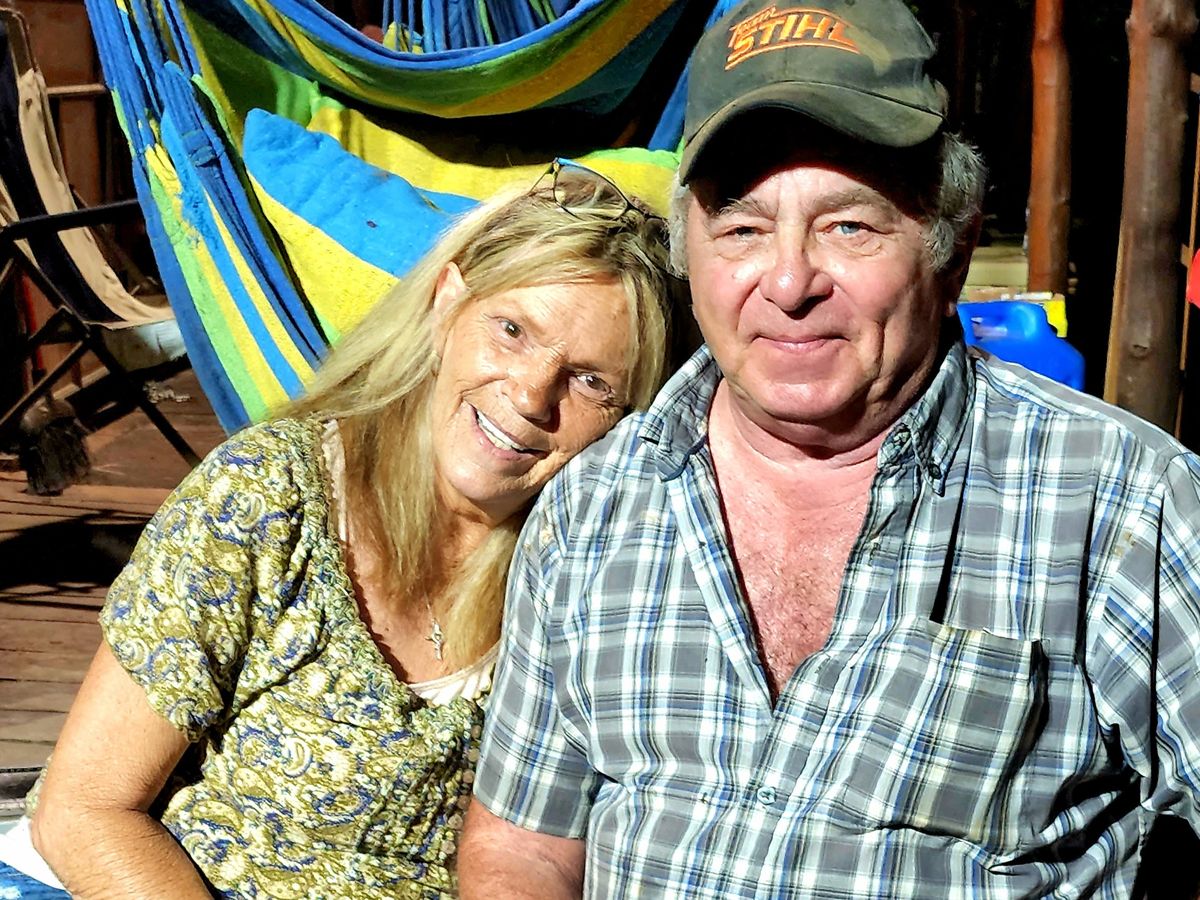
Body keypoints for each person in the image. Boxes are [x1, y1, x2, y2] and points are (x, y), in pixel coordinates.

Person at [458, 0, 1200, 896]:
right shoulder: (594, 507)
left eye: (848, 225)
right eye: (742, 228)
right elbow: (527, 846)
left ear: (953, 249)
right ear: (689, 252)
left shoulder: (1121, 502)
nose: (788, 281)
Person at [10, 161, 676, 899]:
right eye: (512, 330)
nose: (529, 394)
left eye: (590, 381)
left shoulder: (590, 580)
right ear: (446, 306)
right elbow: (85, 811)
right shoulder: (271, 497)